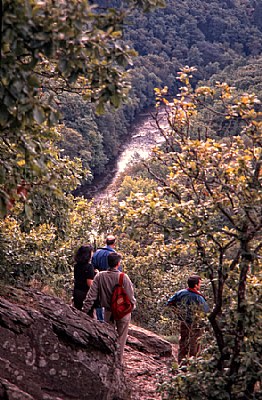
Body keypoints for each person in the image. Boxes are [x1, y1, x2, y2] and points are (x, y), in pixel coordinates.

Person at [83, 252, 136, 363]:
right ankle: (118, 362)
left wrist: (84, 310)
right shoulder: (123, 277)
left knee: (109, 337)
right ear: (118, 263)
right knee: (121, 338)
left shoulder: (100, 276)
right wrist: (132, 307)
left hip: (108, 311)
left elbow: (91, 295)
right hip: (123, 312)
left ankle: (109, 361)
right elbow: (131, 297)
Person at [166, 275, 209, 365]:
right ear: (196, 285)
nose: (200, 285)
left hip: (184, 322)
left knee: (183, 343)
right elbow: (206, 312)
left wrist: (178, 313)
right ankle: (193, 366)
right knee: (195, 345)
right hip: (196, 325)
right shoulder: (199, 298)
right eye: (200, 283)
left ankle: (181, 365)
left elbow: (169, 303)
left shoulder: (181, 293)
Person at [92, 235, 122, 320]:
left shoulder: (97, 253)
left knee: (98, 301)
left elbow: (92, 267)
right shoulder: (114, 255)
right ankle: (107, 322)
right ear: (114, 243)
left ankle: (99, 320)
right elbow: (118, 271)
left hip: (99, 280)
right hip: (111, 282)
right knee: (110, 303)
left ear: (106, 242)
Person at [72, 245, 95, 316]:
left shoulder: (76, 265)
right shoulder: (89, 267)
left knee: (78, 313)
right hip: (85, 293)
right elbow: (89, 283)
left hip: (77, 291)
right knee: (88, 315)